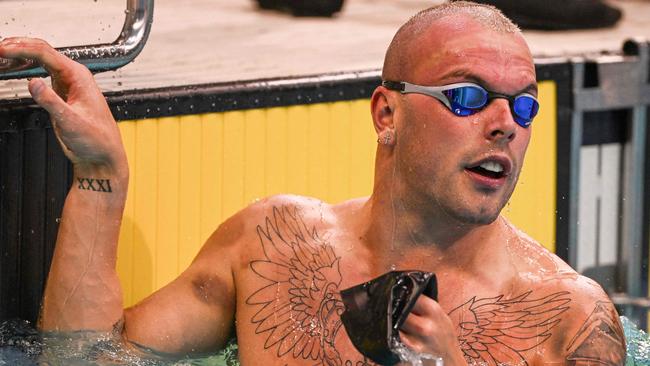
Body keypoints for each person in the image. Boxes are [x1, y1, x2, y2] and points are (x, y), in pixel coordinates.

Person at [0, 1, 626, 365]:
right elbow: (83, 357)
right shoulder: (271, 246)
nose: (504, 126)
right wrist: (100, 178)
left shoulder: (568, 320)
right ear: (387, 113)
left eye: (523, 106)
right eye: (467, 96)